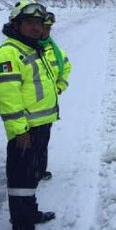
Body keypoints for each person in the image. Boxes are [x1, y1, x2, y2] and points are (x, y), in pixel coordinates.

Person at [0, 0, 58, 230]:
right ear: (16, 24)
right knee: (20, 180)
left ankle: (30, 213)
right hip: (25, 129)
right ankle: (21, 229)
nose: (36, 27)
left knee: (31, 177)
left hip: (40, 125)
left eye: (39, 23)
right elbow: (8, 98)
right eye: (29, 22)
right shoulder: (9, 53)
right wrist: (19, 130)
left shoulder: (33, 48)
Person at [37, 11, 72, 181]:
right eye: (44, 27)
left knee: (43, 142)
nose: (46, 32)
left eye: (49, 28)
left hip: (48, 109)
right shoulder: (27, 47)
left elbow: (65, 69)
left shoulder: (54, 49)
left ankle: (40, 170)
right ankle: (26, 175)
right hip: (28, 111)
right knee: (27, 146)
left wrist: (60, 87)